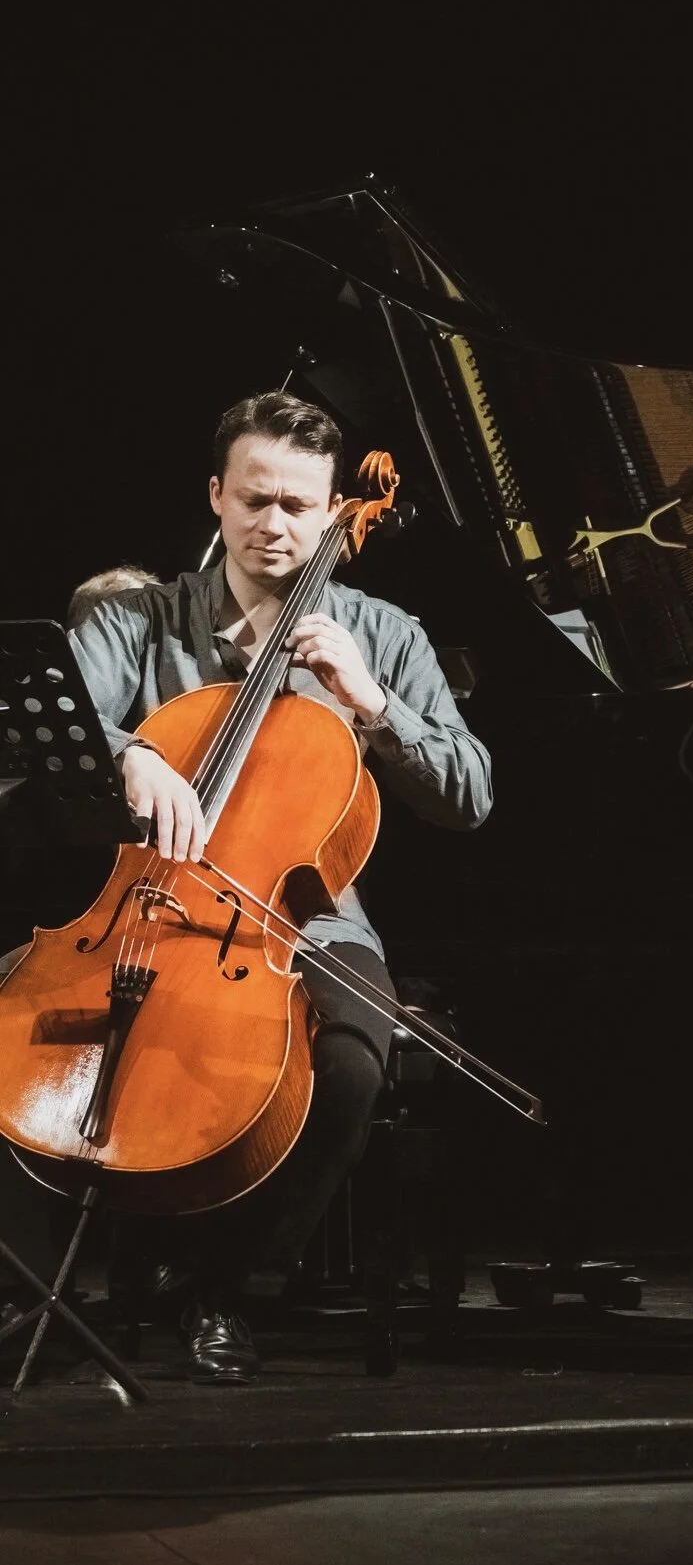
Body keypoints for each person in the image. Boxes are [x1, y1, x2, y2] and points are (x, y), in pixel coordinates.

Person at [51, 390, 491, 1382]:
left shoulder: (379, 631)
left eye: (299, 505)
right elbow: (56, 728)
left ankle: (225, 1281)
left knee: (345, 1060)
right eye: (254, 500)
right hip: (148, 906)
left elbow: (472, 794)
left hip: (306, 918)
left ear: (337, 510)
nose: (274, 525)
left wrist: (373, 705)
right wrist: (130, 758)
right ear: (216, 496)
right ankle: (50, 1280)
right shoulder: (142, 617)